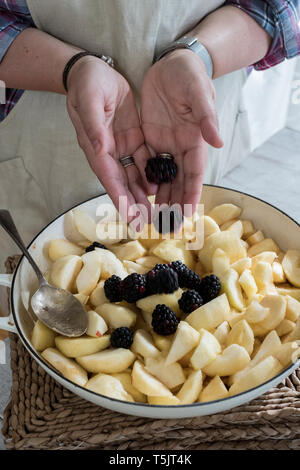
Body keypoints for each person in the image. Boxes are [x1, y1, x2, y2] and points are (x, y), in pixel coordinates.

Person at [0, 0, 299, 264]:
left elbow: (280, 7)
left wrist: (200, 55)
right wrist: (71, 69)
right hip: (40, 146)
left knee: (197, 249)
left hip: (195, 128)